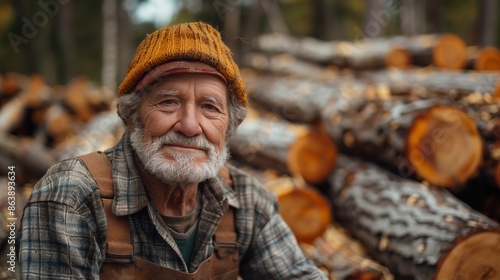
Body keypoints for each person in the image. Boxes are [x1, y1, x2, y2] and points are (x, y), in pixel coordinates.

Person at [18, 21, 327, 279]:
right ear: (131, 115)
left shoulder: (246, 201)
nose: (190, 126)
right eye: (169, 101)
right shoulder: (70, 196)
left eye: (209, 107)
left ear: (229, 127)